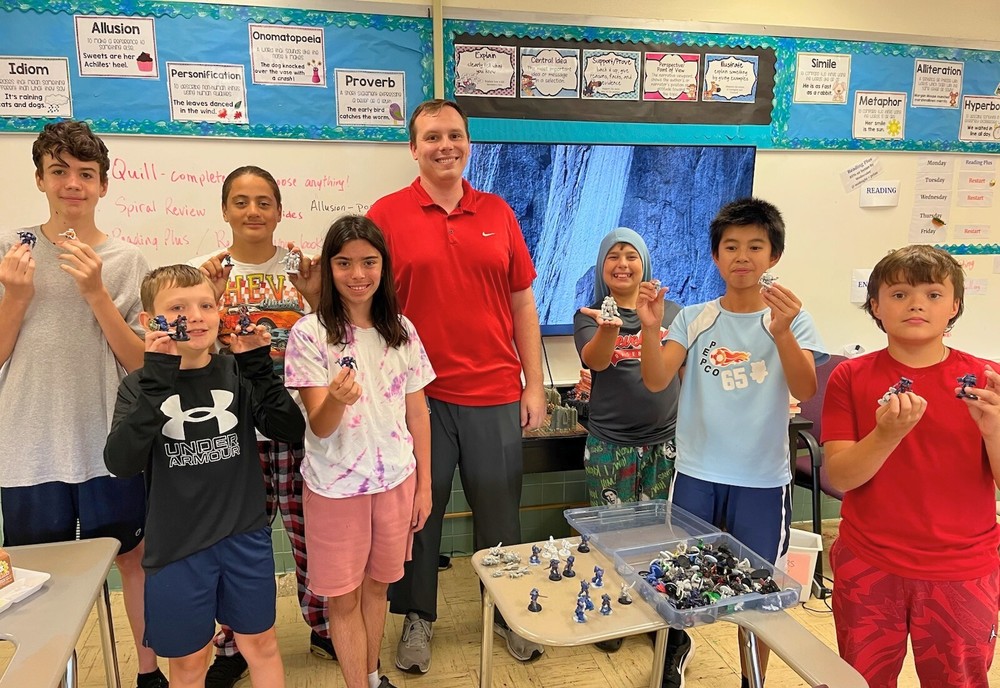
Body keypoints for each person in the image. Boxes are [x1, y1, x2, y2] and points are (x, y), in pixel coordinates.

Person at [367, 98, 546, 673]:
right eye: (432, 137)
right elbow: (369, 304)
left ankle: (511, 610)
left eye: (455, 135)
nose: (445, 146)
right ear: (412, 148)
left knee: (500, 513)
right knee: (420, 511)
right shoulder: (387, 214)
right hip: (416, 398)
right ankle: (417, 617)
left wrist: (534, 385)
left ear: (468, 143)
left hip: (495, 388)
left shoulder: (498, 211)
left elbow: (522, 301)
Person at [0, 121, 166, 687]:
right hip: (28, 447)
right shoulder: (10, 252)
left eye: (86, 174)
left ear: (103, 185)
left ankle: (149, 674)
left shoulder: (126, 260)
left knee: (131, 559)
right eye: (60, 172)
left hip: (108, 444)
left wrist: (97, 292)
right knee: (38, 574)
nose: (73, 184)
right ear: (41, 179)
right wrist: (18, 295)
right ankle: (51, 675)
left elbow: (143, 363)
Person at [638, 197, 827, 688]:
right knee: (679, 581)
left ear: (774, 256)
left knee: (762, 592)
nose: (742, 256)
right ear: (716, 256)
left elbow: (806, 390)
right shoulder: (696, 318)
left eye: (755, 246)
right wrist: (652, 326)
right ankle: (673, 660)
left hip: (762, 480)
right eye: (731, 246)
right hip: (697, 474)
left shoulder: (793, 318)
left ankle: (752, 678)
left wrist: (782, 331)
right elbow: (658, 380)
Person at [105, 264, 303, 688]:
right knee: (190, 663)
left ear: (219, 312)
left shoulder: (236, 372)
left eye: (205, 305)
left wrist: (258, 368)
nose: (194, 316)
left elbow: (290, 431)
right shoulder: (141, 385)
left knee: (262, 644)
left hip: (243, 537)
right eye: (178, 307)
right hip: (177, 548)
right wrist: (158, 378)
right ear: (148, 321)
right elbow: (120, 462)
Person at [821, 245, 1000, 687]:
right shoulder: (851, 376)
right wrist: (886, 435)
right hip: (869, 562)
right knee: (860, 679)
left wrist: (994, 431)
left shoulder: (986, 381)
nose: (917, 303)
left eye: (933, 294)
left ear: (954, 305)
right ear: (876, 307)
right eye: (899, 294)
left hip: (962, 570)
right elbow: (840, 476)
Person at [191, 165, 332, 686]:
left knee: (311, 536)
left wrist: (317, 297)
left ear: (279, 209)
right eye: (242, 202)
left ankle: (323, 627)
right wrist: (209, 297)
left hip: (298, 428)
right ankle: (231, 645)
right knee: (237, 542)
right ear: (225, 209)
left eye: (264, 202)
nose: (253, 212)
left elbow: (330, 339)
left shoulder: (302, 270)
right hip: (231, 432)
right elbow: (193, 353)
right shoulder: (203, 273)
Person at [284, 215, 435, 688]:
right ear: (328, 269)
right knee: (343, 598)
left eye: (369, 262)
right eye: (344, 263)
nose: (357, 274)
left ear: (384, 267)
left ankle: (371, 677)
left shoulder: (402, 331)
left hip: (396, 481)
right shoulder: (309, 335)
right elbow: (321, 426)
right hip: (336, 488)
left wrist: (424, 485)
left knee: (378, 588)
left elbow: (418, 414)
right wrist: (336, 398)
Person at [572, 226, 693, 678]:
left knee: (658, 534)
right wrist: (608, 328)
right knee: (610, 534)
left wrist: (650, 321)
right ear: (602, 268)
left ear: (645, 264)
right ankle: (613, 609)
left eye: (631, 256)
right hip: (610, 446)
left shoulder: (672, 313)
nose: (622, 264)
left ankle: (660, 611)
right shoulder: (588, 313)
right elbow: (596, 361)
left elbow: (682, 376)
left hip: (664, 444)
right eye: (613, 257)